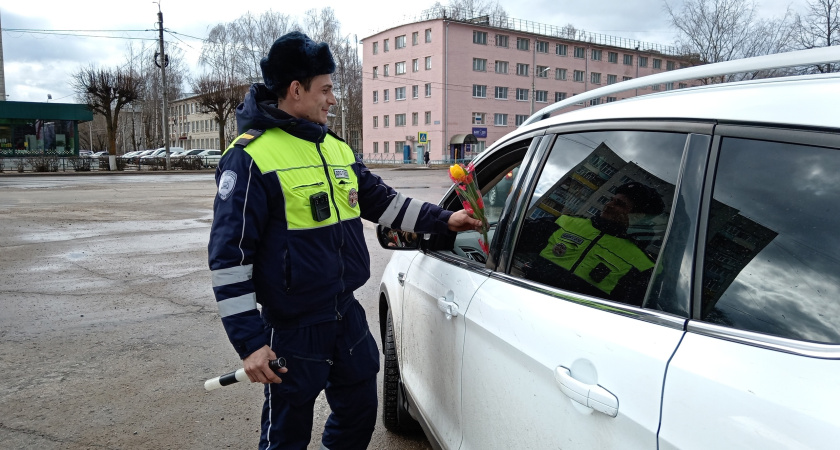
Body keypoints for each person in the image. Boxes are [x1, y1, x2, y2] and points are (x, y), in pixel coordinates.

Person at [207, 31, 481, 450]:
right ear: (295, 90)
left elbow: (384, 203)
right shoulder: (249, 157)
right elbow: (230, 258)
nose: (333, 99)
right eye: (326, 89)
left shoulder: (335, 148)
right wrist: (250, 343)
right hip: (294, 326)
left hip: (345, 313)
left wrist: (447, 220)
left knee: (358, 414)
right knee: (287, 433)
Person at [518, 182, 664, 306]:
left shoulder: (642, 265)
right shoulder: (565, 223)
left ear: (638, 217)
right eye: (611, 199)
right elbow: (513, 235)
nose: (608, 205)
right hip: (526, 303)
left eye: (619, 204)